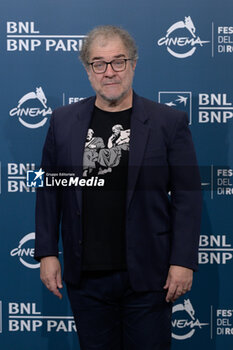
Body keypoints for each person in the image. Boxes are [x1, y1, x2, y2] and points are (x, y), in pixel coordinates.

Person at [34, 25, 202, 350]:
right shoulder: (63, 121)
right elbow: (49, 189)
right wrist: (46, 252)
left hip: (149, 277)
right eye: (99, 63)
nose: (109, 72)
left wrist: (183, 260)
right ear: (88, 70)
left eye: (118, 62)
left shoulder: (168, 122)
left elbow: (188, 197)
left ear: (133, 64)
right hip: (87, 277)